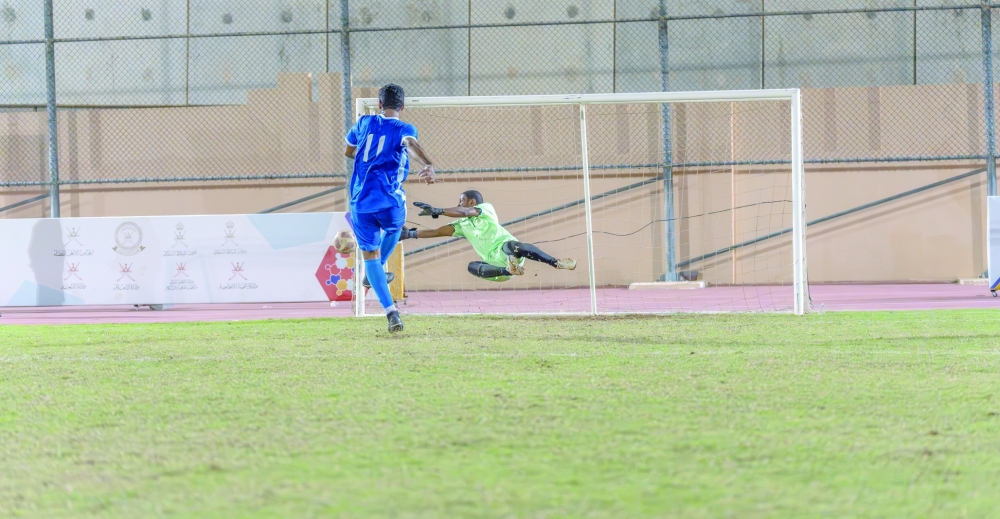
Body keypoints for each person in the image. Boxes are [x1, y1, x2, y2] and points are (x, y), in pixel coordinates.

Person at [345, 83, 435, 333]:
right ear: (403, 106)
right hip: (389, 200)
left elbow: (348, 151)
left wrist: (370, 156)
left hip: (360, 202)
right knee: (397, 227)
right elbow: (410, 144)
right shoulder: (404, 128)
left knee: (369, 257)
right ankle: (376, 269)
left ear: (380, 105)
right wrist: (428, 164)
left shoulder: (364, 122)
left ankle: (391, 313)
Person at [402, 190, 576, 281]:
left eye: (461, 200)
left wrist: (439, 210)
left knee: (511, 245)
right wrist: (410, 234)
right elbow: (437, 232)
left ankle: (556, 263)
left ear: (471, 201)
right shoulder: (461, 226)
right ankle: (509, 269)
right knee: (471, 266)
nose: (458, 203)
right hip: (495, 268)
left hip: (508, 253)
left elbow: (465, 211)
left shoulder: (485, 209)